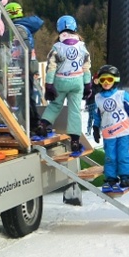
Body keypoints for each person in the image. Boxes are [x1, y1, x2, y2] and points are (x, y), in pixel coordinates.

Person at [38, 15, 91, 156]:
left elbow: (51, 67)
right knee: (75, 110)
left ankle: (43, 124)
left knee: (55, 105)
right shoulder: (82, 47)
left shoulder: (57, 46)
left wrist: (49, 84)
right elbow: (86, 67)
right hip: (77, 81)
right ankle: (74, 140)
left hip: (61, 80)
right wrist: (88, 84)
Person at [89, 65, 129, 191]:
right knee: (110, 157)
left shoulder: (122, 95)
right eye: (102, 80)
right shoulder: (98, 98)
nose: (106, 83)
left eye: (109, 79)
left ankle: (125, 177)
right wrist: (95, 128)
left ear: (115, 80)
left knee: (123, 155)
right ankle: (111, 178)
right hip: (108, 134)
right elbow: (97, 116)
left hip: (123, 132)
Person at [7, 2, 45, 131]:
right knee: (27, 97)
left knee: (22, 98)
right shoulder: (24, 26)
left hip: (20, 68)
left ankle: (32, 124)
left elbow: (22, 49)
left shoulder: (16, 29)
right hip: (26, 68)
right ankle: (32, 123)